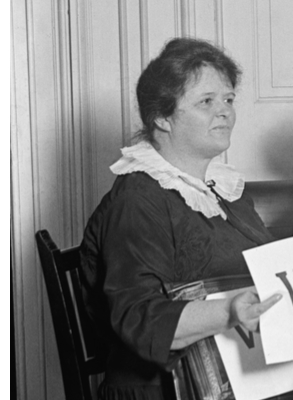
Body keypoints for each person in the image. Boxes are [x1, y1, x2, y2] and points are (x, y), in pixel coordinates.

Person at [80, 38, 281, 400]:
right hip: (164, 390)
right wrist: (228, 311)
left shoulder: (221, 189)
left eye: (228, 99)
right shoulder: (138, 201)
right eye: (206, 101)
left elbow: (258, 266)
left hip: (232, 377)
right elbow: (138, 317)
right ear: (162, 117)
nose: (225, 112)